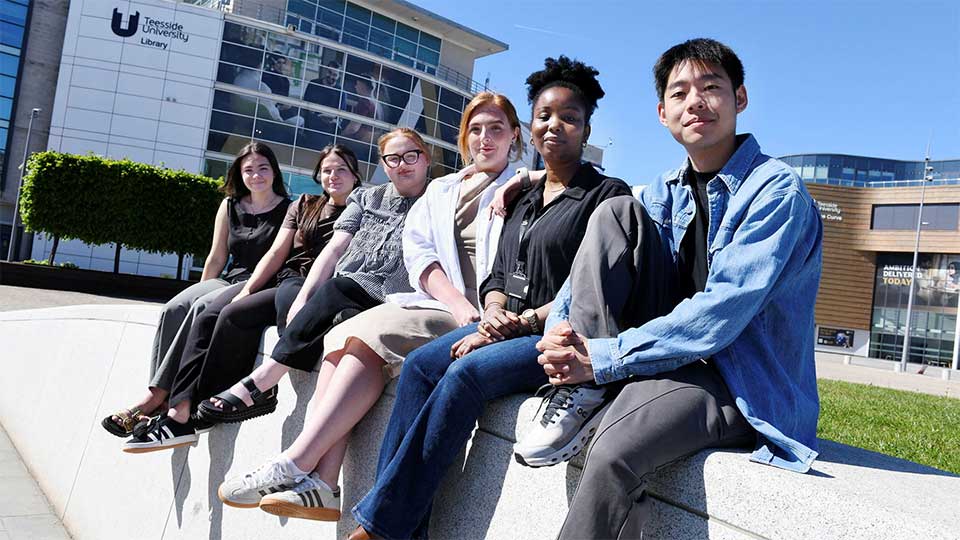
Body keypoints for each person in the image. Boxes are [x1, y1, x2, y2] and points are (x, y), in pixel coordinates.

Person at [513, 38, 823, 539]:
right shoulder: (666, 190)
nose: (695, 102)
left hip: (739, 381)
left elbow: (721, 313)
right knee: (615, 212)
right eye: (679, 93)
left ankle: (593, 383)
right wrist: (561, 333)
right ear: (663, 113)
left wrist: (602, 357)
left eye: (711, 87)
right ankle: (582, 390)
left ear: (740, 99)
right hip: (673, 360)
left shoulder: (776, 191)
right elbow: (594, 262)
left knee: (613, 450)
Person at [347, 56, 632, 540]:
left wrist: (519, 323)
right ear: (531, 127)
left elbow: (586, 286)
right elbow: (498, 271)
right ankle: (403, 529)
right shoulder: (522, 197)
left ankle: (380, 528)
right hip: (503, 323)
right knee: (420, 366)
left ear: (586, 129)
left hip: (556, 334)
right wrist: (495, 310)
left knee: (466, 373)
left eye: (569, 118)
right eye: (544, 116)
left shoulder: (607, 195)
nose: (555, 126)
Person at [214, 92, 526, 521]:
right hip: (443, 302)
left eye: (496, 129)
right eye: (475, 130)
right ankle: (324, 483)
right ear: (463, 138)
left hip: (487, 311)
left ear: (515, 135)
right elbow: (419, 252)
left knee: (367, 333)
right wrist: (456, 304)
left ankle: (294, 463)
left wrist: (522, 179)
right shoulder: (443, 189)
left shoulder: (525, 185)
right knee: (339, 339)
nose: (485, 139)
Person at [121, 145, 361, 452]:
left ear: (356, 175)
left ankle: (213, 405)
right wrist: (247, 291)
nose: (333, 176)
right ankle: (182, 409)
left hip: (321, 290)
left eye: (341, 169)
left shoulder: (363, 208)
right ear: (318, 175)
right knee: (217, 315)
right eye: (327, 170)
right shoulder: (303, 204)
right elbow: (276, 253)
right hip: (288, 279)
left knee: (260, 315)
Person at [193, 127, 430, 436]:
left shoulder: (440, 197)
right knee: (330, 305)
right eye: (392, 158)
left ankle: (264, 379)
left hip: (390, 294)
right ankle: (198, 404)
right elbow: (334, 250)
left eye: (410, 156)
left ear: (426, 159)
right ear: (383, 165)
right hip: (345, 290)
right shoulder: (366, 197)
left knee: (338, 288)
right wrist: (304, 300)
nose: (402, 164)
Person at [101, 142, 290, 439]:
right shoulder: (230, 206)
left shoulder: (289, 208)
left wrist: (207, 297)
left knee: (204, 306)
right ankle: (160, 391)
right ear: (239, 174)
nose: (256, 175)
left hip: (260, 282)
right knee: (176, 307)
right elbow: (216, 257)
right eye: (248, 170)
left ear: (274, 171)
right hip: (230, 278)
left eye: (263, 168)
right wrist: (200, 289)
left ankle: (157, 397)